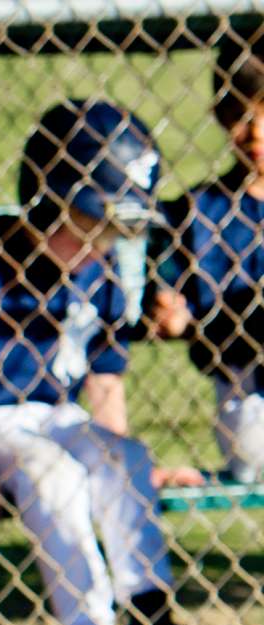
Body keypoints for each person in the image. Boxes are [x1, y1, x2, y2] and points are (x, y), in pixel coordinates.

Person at [0, 100, 211, 625]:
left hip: (59, 416)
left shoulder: (95, 273)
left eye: (111, 231)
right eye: (88, 223)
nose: (100, 242)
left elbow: (104, 382)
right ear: (45, 198)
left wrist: (122, 466)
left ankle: (151, 619)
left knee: (122, 455)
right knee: (54, 475)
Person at [157, 39, 264, 485]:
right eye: (242, 115)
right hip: (250, 397)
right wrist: (170, 313)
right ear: (221, 119)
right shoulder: (199, 213)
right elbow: (166, 301)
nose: (256, 131)